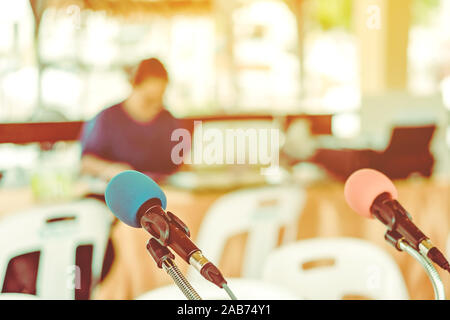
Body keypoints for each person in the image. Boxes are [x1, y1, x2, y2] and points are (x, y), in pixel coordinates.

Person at [80, 58, 188, 182]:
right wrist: (110, 169)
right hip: (119, 192)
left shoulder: (168, 120)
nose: (156, 105)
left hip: (162, 193)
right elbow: (86, 162)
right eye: (149, 99)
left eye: (161, 97)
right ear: (133, 87)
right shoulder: (107, 119)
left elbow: (179, 164)